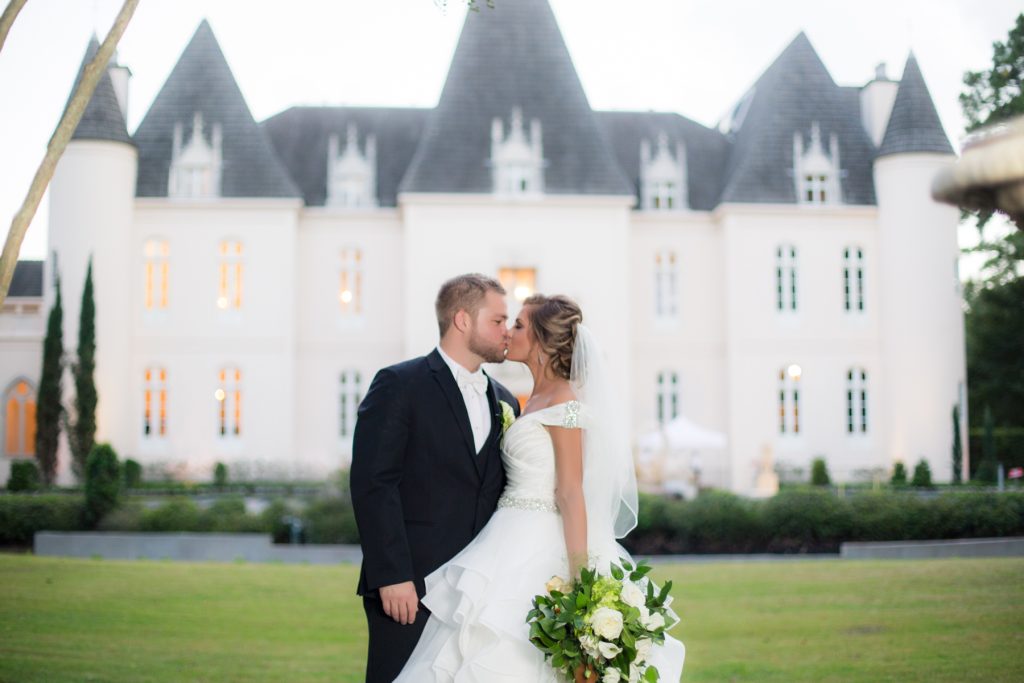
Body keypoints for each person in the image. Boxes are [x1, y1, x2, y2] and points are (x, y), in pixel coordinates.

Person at [395, 294, 686, 682]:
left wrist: (582, 584)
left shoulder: (566, 404)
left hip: (539, 544)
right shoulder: (531, 401)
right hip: (504, 535)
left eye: (518, 325)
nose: (508, 332)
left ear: (542, 342)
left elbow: (569, 491)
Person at [350, 273, 521, 683]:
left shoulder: (506, 400)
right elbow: (374, 484)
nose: (507, 332)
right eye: (498, 321)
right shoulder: (399, 384)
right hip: (412, 590)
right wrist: (392, 576)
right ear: (462, 320)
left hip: (479, 594)